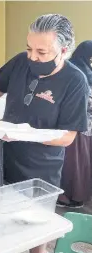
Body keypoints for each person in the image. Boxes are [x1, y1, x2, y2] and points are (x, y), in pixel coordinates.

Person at [0, 14, 89, 253]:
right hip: (3, 155)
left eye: (41, 52)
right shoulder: (22, 62)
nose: (32, 57)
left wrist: (25, 134)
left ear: (63, 49)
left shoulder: (75, 81)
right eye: (29, 49)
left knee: (37, 222)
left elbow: (67, 137)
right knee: (0, 213)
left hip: (41, 166)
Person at [57, 40, 92, 208]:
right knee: (78, 164)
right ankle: (75, 197)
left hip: (76, 126)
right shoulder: (79, 74)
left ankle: (71, 197)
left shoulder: (73, 70)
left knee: (74, 164)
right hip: (77, 127)